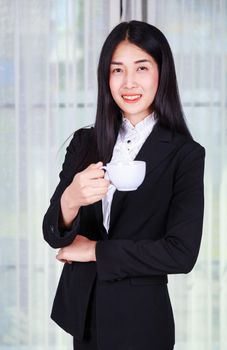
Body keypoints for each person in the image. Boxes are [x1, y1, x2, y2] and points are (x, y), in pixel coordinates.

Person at [42, 20, 205, 350]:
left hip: (142, 321)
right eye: (117, 70)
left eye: (141, 67)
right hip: (86, 317)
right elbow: (52, 233)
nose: (129, 82)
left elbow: (181, 254)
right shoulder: (85, 143)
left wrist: (94, 251)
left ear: (162, 73)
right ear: (106, 77)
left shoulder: (184, 154)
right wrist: (70, 198)